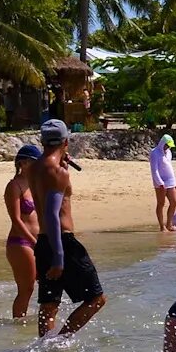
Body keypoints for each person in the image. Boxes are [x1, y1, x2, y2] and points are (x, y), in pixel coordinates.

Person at [29, 119, 106, 338]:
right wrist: (59, 258)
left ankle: (45, 347)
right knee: (97, 299)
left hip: (43, 241)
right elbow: (52, 213)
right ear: (66, 141)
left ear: (42, 141)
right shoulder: (57, 171)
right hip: (62, 242)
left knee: (49, 304)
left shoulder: (35, 168)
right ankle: (61, 340)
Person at [4, 143, 41, 320]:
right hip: (21, 243)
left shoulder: (36, 184)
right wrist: (34, 242)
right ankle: (18, 323)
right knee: (27, 288)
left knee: (49, 283)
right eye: (35, 162)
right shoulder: (14, 186)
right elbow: (16, 220)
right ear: (23, 163)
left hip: (39, 241)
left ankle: (39, 322)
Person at [150, 133, 176, 232]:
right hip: (160, 182)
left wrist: (174, 182)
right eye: (167, 145)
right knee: (161, 203)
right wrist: (160, 183)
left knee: (174, 202)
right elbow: (155, 170)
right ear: (162, 143)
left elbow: (169, 167)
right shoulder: (154, 153)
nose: (168, 147)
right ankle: (162, 226)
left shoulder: (169, 152)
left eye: (169, 146)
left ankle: (169, 224)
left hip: (170, 181)